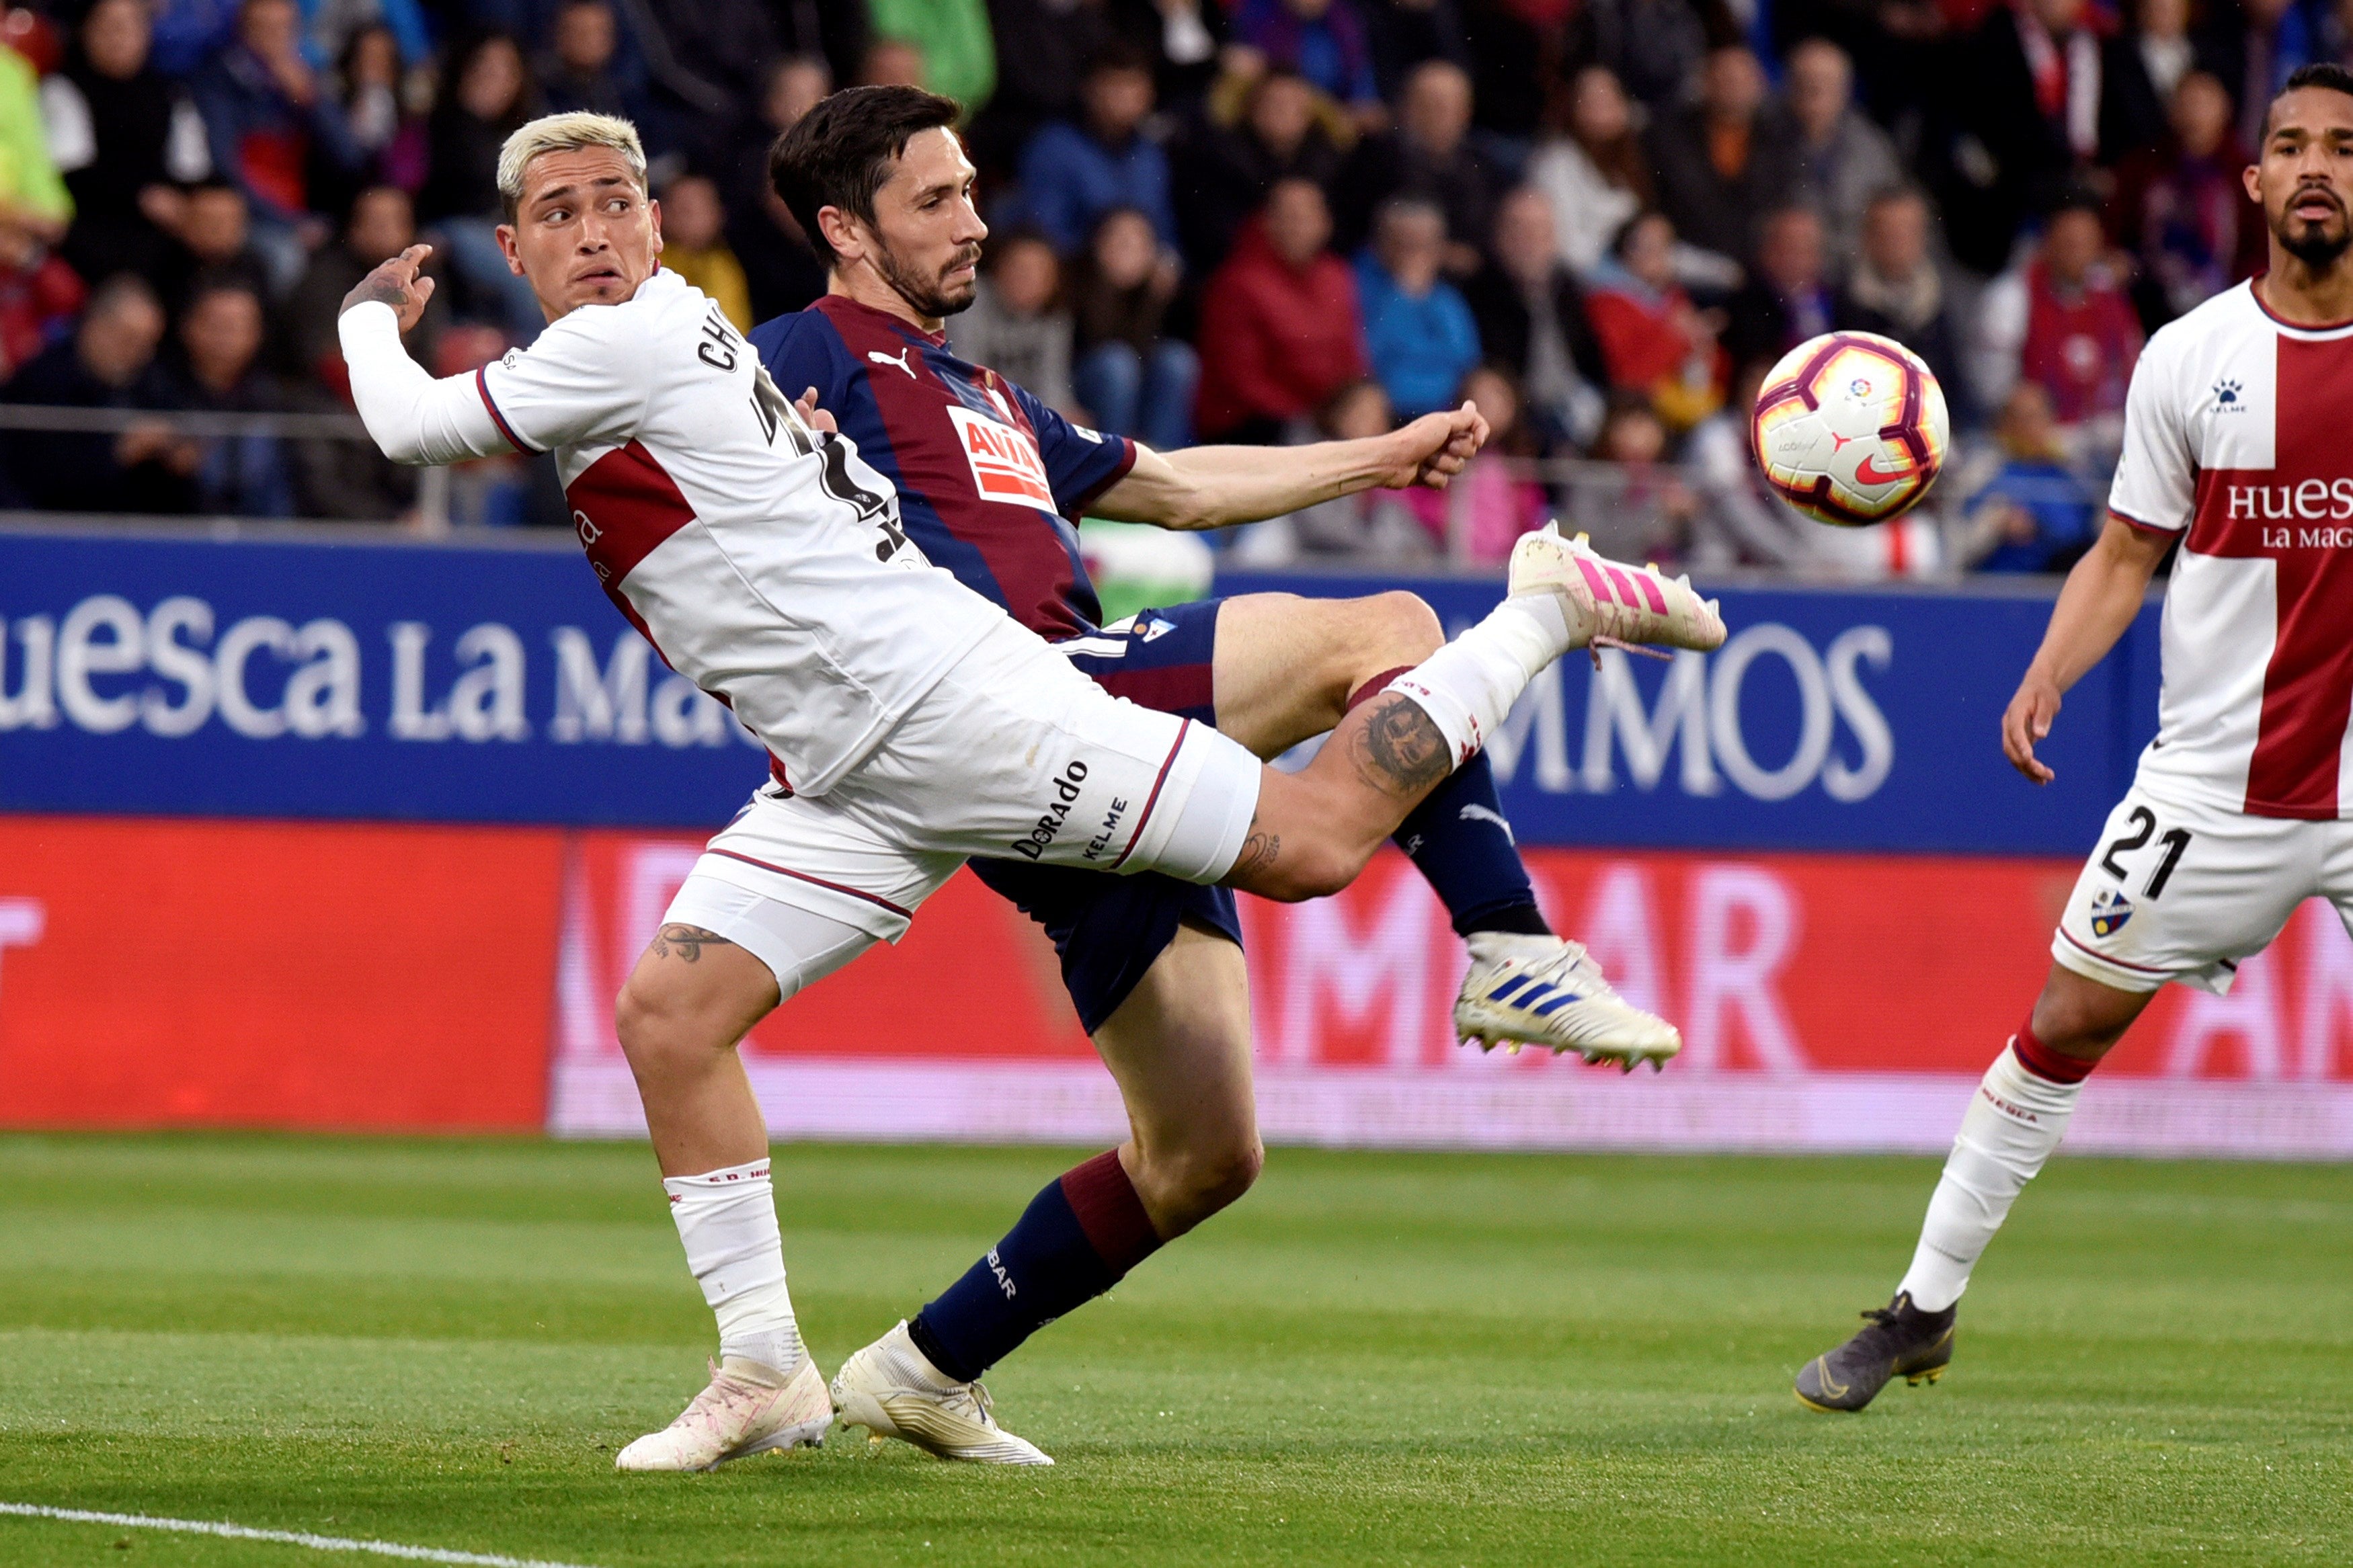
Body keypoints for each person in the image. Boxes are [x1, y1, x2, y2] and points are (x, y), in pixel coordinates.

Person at [740, 85, 1717, 1470]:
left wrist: (1379, 455)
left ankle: (921, 1364)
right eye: (935, 200)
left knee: (1203, 1153)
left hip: (1073, 765)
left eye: (969, 190)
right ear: (844, 229)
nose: (973, 220)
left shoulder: (986, 390)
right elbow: (705, 500)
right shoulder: (799, 356)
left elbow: (1178, 488)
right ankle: (1507, 935)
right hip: (1021, 691)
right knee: (1387, 633)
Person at [1796, 61, 2353, 1414]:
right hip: (2213, 782)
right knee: (2057, 1024)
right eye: (2291, 145)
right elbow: (2121, 549)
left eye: (2344, 145)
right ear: (2254, 180)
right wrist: (2045, 670)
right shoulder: (2186, 357)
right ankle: (1921, 1310)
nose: (2318, 166)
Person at [44, 0, 213, 292]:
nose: (118, 38)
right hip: (93, 221)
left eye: (129, 27)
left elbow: (193, 168)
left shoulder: (168, 92)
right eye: (108, 27)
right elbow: (71, 170)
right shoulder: (63, 88)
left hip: (166, 223)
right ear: (85, 32)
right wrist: (142, 196)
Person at [1193, 176, 1365, 442]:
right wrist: (1310, 416)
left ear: (1326, 224)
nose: (1300, 227)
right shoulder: (1237, 282)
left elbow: (1350, 356)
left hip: (1326, 416)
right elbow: (1240, 380)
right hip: (1254, 425)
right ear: (1268, 222)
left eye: (1309, 217)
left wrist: (1358, 401)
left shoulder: (1338, 276)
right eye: (1291, 217)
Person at [1460, 185, 1607, 450]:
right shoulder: (1478, 290)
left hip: (1575, 406)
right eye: (1519, 229)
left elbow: (1594, 360)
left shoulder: (1568, 289)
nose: (1530, 240)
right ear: (1499, 234)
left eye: (1540, 231)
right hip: (1519, 409)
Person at [1014, 44, 1179, 257]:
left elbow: (1164, 230)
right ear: (1089, 89)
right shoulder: (1055, 146)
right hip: (1076, 277)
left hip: (1140, 280)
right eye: (1115, 86)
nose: (1125, 98)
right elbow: (1043, 233)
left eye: (1133, 86)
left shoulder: (1152, 155)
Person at [1769, 38, 1905, 272]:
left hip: (1858, 272)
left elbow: (1890, 214)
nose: (1814, 91)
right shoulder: (1766, 140)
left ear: (1845, 90)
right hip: (1789, 272)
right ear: (1789, 86)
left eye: (1825, 83)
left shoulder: (1871, 147)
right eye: (1805, 82)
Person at [1068, 204, 1197, 450]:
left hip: (1140, 385)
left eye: (1137, 243)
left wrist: (1156, 299)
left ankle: (1164, 463)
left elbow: (1153, 346)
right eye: (1119, 241)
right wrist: (1108, 286)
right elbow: (1084, 346)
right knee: (1117, 363)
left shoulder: (1160, 289)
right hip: (1086, 385)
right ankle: (1116, 462)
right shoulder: (1075, 281)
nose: (1127, 250)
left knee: (1177, 360)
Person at [1354, 196, 1481, 420]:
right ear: (1384, 244)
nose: (1416, 255)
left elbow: (1465, 357)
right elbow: (1368, 356)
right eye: (1406, 245)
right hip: (1386, 412)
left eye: (1424, 245)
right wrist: (1402, 296)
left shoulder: (1448, 298)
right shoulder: (1362, 284)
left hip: (1445, 410)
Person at [944, 229, 1076, 412]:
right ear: (999, 268)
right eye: (1018, 267)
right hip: (975, 410)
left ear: (1052, 280)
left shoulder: (1055, 318)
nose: (1026, 278)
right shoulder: (968, 300)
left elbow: (1052, 387)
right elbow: (963, 377)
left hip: (1026, 420)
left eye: (1037, 271)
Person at [652, 173, 750, 332]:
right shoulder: (649, 264)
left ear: (717, 214)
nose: (695, 220)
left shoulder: (725, 268)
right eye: (682, 210)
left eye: (700, 210)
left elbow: (733, 331)